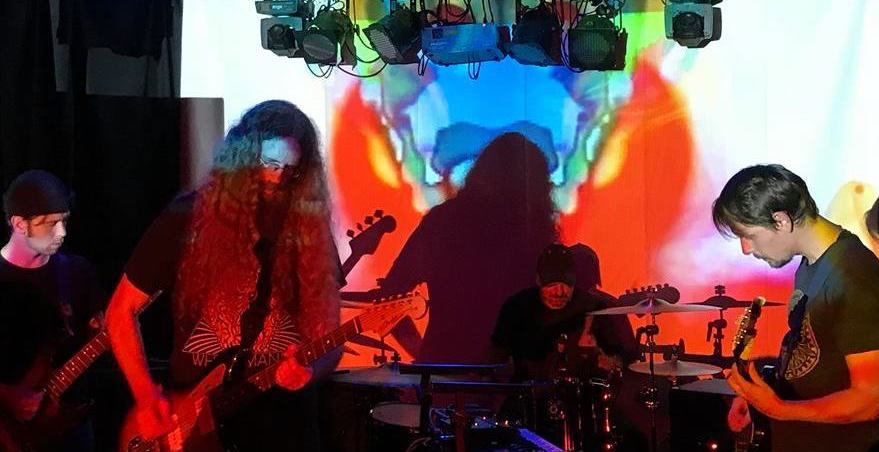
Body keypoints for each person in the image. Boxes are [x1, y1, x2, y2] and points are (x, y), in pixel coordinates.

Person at [105, 100, 342, 451]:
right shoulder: (187, 218)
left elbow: (332, 338)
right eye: (269, 164)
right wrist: (146, 396)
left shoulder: (310, 232)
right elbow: (120, 312)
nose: (277, 178)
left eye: (290, 170)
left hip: (282, 426)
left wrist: (311, 370)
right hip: (196, 424)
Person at [713, 164, 879, 451]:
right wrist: (760, 399)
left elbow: (871, 399)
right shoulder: (813, 263)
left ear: (781, 221)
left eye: (748, 235)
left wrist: (779, 409)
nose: (746, 248)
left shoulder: (853, 273)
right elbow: (815, 357)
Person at [377, 132, 559, 363]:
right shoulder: (532, 229)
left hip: (445, 371)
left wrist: (423, 355)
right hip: (511, 374)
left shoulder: (442, 221)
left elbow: (388, 298)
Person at [491, 243, 641, 450]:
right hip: (527, 404)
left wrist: (604, 359)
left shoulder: (593, 308)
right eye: (552, 284)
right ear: (538, 280)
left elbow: (621, 361)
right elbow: (496, 358)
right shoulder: (517, 307)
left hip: (583, 407)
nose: (560, 291)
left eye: (567, 284)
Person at [0, 169, 105, 451]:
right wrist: (7, 395)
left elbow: (101, 330)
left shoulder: (77, 272)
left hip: (72, 424)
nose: (62, 233)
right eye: (50, 224)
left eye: (64, 221)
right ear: (19, 224)